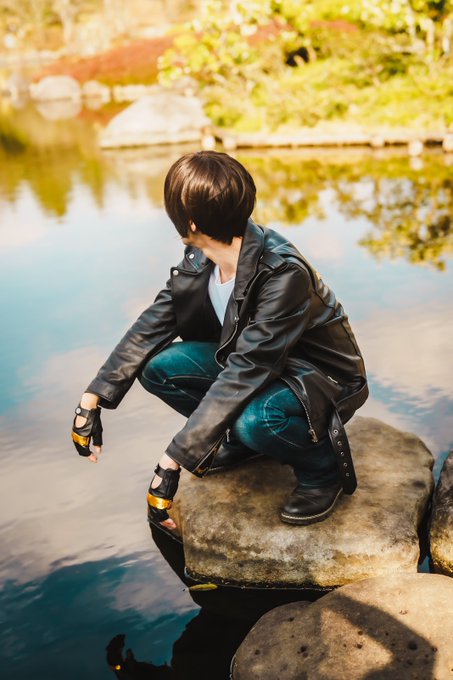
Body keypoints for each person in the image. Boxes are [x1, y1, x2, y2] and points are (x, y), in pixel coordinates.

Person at [72, 151, 368, 530]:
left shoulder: (282, 272)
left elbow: (247, 369)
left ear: (191, 221)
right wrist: (93, 396)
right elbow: (154, 322)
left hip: (321, 378)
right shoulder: (201, 254)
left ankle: (323, 471)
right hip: (262, 363)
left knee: (254, 419)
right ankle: (243, 446)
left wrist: (174, 458)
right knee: (158, 368)